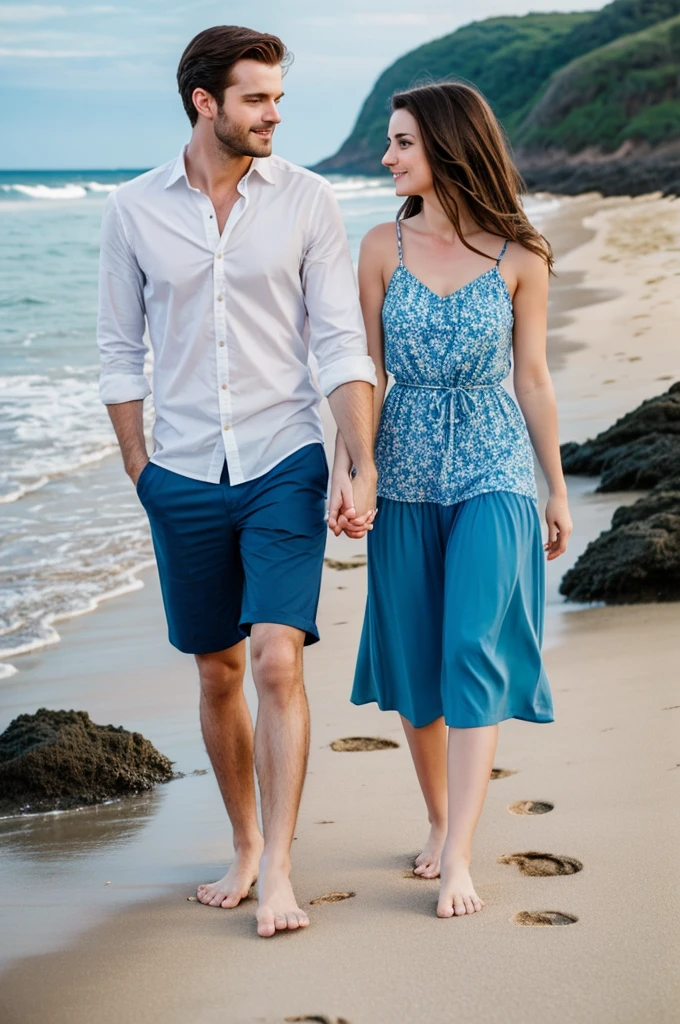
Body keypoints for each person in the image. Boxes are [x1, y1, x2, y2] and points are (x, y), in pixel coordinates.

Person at [97, 25, 377, 938]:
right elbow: (118, 352)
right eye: (257, 98)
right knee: (217, 672)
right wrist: (142, 470)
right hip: (178, 471)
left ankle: (283, 872)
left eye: (278, 98)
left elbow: (339, 340)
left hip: (282, 459)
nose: (275, 115)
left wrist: (357, 458)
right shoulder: (133, 210)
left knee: (274, 656)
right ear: (203, 102)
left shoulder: (307, 201)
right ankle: (246, 845)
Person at [330, 82, 572, 918]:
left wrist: (555, 486)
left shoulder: (520, 256)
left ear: (446, 145)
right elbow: (361, 375)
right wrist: (350, 471)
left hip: (495, 470)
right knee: (419, 662)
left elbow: (534, 380)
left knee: (471, 645)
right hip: (402, 473)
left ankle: (462, 853)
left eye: (401, 142)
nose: (387, 156)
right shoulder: (378, 248)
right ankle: (438, 820)